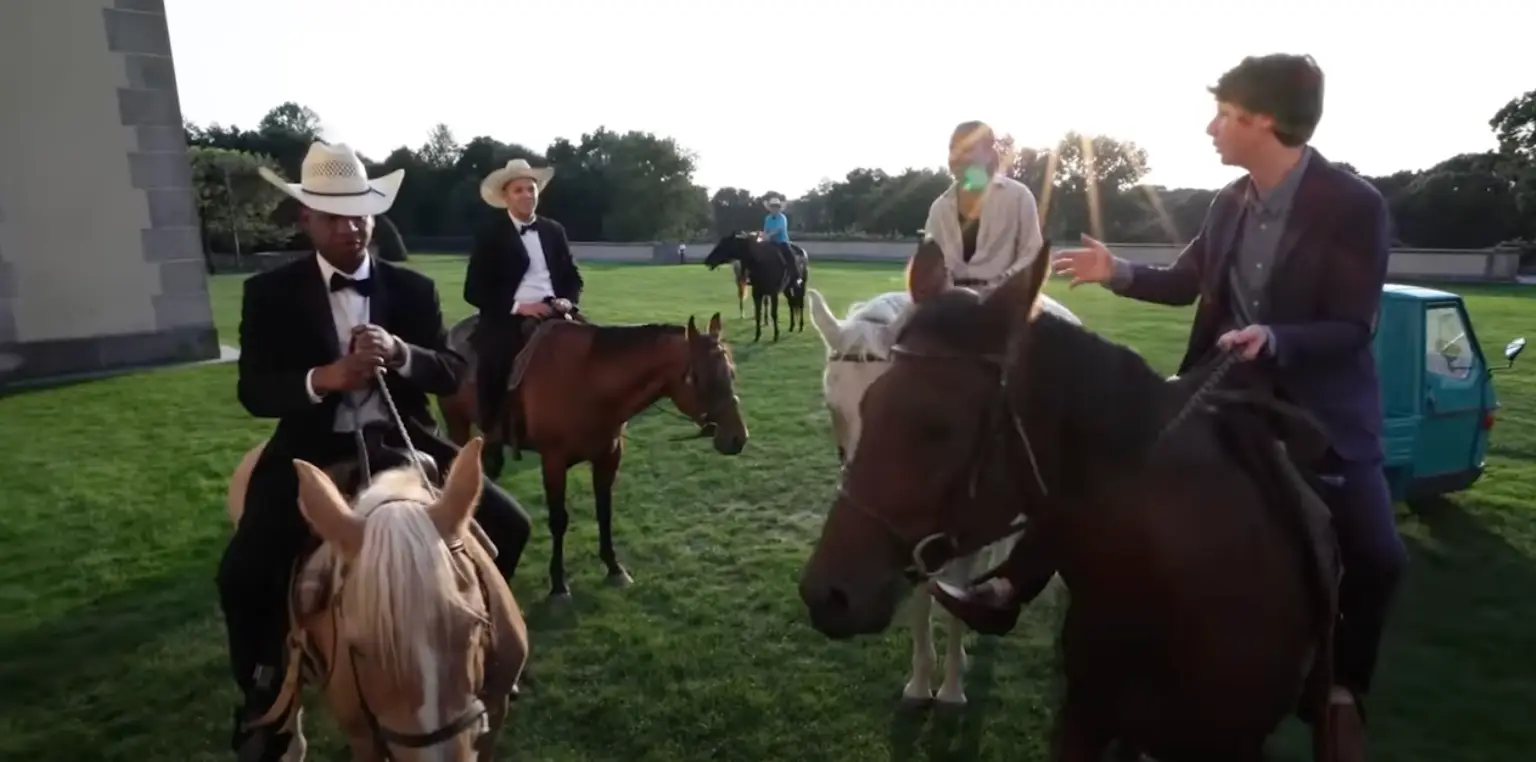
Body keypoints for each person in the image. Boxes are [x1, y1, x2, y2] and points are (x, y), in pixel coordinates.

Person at [950, 54, 1403, 743]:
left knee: (1378, 552)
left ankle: (1342, 689)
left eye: (1224, 114)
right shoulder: (1230, 202)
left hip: (1315, 406)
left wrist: (1275, 338)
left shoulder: (1354, 206)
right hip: (1217, 388)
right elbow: (1186, 281)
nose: (1210, 127)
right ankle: (1011, 584)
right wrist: (1117, 271)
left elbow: (1351, 325)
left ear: (1265, 121)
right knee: (1101, 457)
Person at [220, 142, 534, 762]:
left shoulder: (411, 288)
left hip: (403, 442)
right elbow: (255, 390)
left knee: (511, 526)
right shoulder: (269, 293)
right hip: (311, 446)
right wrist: (325, 378)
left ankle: (469, 646)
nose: (351, 226)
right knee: (244, 570)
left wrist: (401, 354)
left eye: (360, 213)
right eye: (334, 215)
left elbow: (447, 372)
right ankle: (267, 698)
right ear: (306, 219)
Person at [464, 158, 584, 477]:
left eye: (531, 189)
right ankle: (491, 433)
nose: (527, 195)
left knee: (594, 349)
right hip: (509, 315)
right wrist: (520, 307)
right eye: (519, 190)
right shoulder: (490, 234)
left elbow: (572, 276)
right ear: (506, 196)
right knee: (494, 359)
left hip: (556, 310)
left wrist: (566, 300)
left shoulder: (553, 230)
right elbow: (473, 290)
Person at [922, 120, 1045, 293]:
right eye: (953, 149)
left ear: (988, 154)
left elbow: (1032, 254)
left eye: (967, 149)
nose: (957, 156)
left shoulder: (1018, 197)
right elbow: (930, 261)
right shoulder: (939, 208)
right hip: (949, 303)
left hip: (1003, 301)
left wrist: (1001, 285)